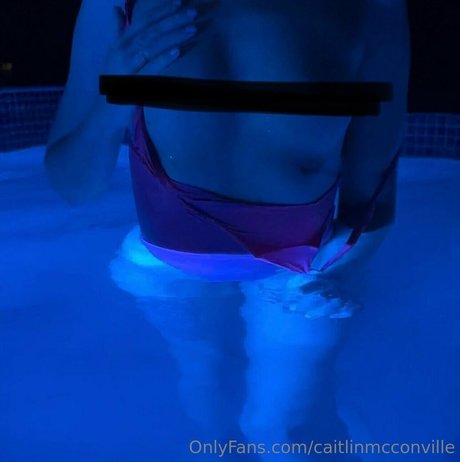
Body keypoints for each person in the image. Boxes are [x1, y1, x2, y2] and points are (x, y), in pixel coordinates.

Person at [44, 0, 410, 453]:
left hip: (302, 273)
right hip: (163, 269)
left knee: (281, 432)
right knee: (208, 413)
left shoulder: (373, 5)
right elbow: (74, 187)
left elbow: (373, 191)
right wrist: (110, 99)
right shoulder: (117, 3)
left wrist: (343, 272)